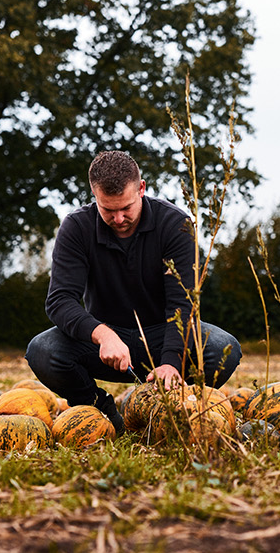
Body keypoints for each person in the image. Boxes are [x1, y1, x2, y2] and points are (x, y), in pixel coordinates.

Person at [25, 151, 242, 433]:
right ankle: (102, 413)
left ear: (141, 188)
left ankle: (174, 413)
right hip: (104, 341)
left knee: (221, 348)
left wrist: (171, 361)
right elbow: (59, 301)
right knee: (43, 350)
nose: (118, 218)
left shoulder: (175, 224)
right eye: (107, 210)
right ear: (94, 194)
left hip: (162, 333)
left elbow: (182, 303)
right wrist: (102, 334)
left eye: (126, 207)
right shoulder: (76, 227)